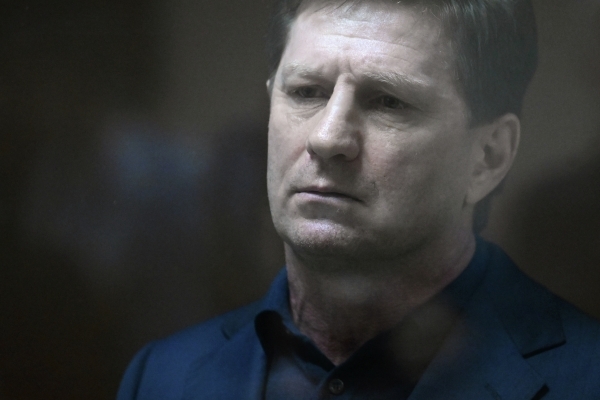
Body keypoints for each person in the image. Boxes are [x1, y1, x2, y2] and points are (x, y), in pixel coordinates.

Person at [116, 0, 600, 398]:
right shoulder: (161, 377)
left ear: (488, 157)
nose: (327, 138)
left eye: (388, 101)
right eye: (306, 92)